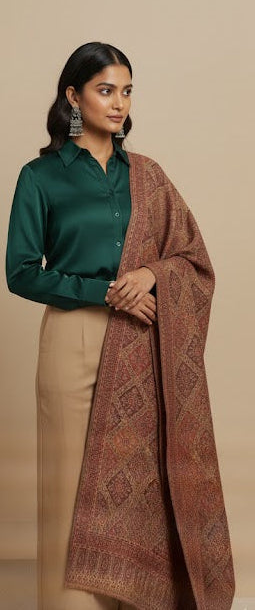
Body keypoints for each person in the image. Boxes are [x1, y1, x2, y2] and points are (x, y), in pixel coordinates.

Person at [5, 41, 157, 610]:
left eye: (126, 91)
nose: (119, 103)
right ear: (73, 96)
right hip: (73, 336)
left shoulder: (143, 175)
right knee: (71, 489)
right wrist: (105, 293)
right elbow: (20, 272)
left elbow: (183, 253)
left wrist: (150, 272)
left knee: (131, 492)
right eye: (105, 90)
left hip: (139, 342)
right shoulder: (41, 176)